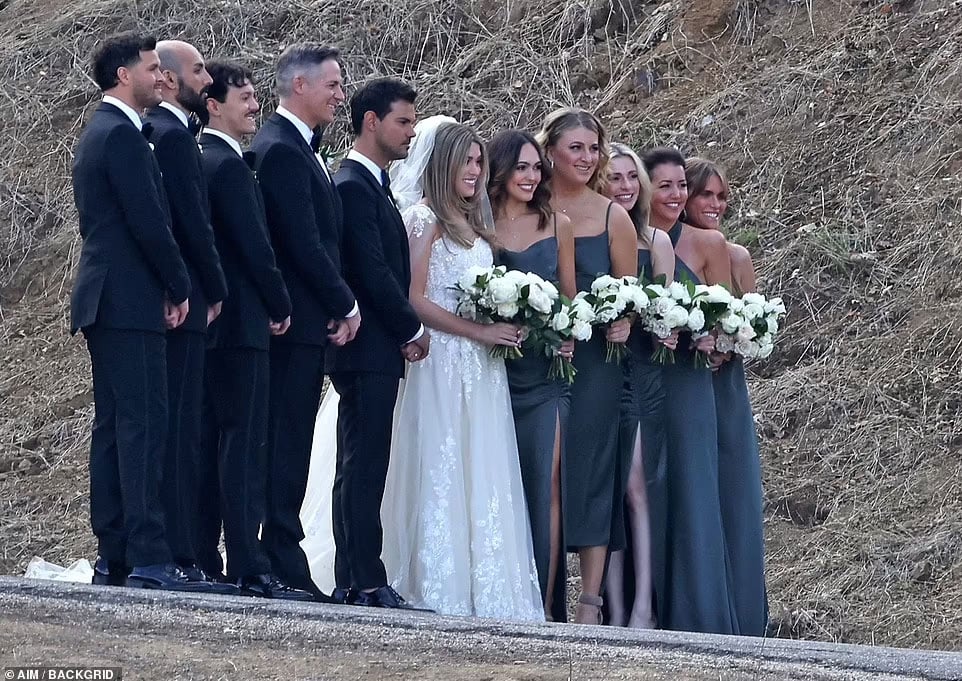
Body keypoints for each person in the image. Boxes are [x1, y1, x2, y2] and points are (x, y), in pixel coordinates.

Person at [376, 121, 543, 620]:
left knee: (481, 463)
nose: (474, 171)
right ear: (442, 164)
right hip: (440, 361)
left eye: (478, 162)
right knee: (442, 460)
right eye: (465, 161)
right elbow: (412, 298)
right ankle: (431, 581)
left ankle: (486, 586)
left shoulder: (474, 226)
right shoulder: (423, 218)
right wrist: (478, 331)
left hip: (480, 367)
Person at [70, 31, 207, 591]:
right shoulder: (122, 136)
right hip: (127, 298)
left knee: (116, 425)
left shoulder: (102, 131)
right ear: (124, 75)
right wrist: (179, 286)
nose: (161, 77)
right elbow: (149, 222)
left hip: (111, 297)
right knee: (142, 425)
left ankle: (116, 552)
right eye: (152, 68)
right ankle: (147, 554)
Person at [194, 61, 312, 601]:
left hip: (220, 327)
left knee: (216, 441)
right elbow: (256, 249)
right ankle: (247, 561)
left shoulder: (205, 159)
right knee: (243, 444)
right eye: (244, 97)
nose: (255, 105)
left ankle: (209, 553)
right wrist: (280, 303)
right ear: (213, 105)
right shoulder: (228, 167)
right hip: (243, 325)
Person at [251, 43, 360, 599]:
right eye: (333, 84)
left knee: (290, 440)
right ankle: (278, 559)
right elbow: (302, 243)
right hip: (291, 325)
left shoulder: (301, 148)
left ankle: (283, 556)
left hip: (307, 323)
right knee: (283, 442)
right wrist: (345, 303)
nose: (341, 94)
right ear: (300, 86)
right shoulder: (279, 149)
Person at [326, 78, 430, 609]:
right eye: (403, 121)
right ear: (372, 122)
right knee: (362, 465)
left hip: (374, 348)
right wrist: (410, 327)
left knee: (363, 463)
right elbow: (371, 270)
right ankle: (363, 578)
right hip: (366, 348)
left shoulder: (374, 185)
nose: (411, 132)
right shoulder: (352, 186)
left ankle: (357, 575)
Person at [537, 108, 635, 624]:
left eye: (594, 148)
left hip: (596, 364)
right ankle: (542, 592)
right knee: (545, 475)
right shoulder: (528, 203)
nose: (587, 157)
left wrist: (625, 321)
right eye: (575, 147)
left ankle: (589, 602)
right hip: (536, 361)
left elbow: (630, 294)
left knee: (594, 471)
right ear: (550, 150)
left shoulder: (613, 216)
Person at [144, 40, 230, 592]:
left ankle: (181, 549)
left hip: (178, 297)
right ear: (173, 81)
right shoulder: (173, 137)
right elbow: (192, 225)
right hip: (188, 298)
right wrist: (213, 289)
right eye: (198, 70)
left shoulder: (162, 132)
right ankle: (181, 551)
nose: (207, 79)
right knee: (180, 432)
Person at [641, 147, 737, 634]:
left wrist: (715, 342)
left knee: (692, 490)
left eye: (682, 185)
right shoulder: (632, 236)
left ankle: (700, 613)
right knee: (645, 493)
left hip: (689, 383)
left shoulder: (707, 244)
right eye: (666, 186)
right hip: (640, 381)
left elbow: (730, 321)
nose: (677, 195)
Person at [487, 129, 575, 621]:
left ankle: (545, 604)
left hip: (546, 375)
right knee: (502, 483)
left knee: (548, 483)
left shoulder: (558, 224)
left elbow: (568, 299)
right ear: (500, 171)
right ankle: (505, 595)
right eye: (521, 167)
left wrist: (568, 332)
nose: (531, 176)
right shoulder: (479, 224)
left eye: (537, 168)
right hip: (495, 370)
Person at [684, 156, 768, 636]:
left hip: (724, 388)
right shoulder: (663, 248)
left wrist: (727, 344)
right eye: (705, 195)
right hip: (679, 386)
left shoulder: (735, 256)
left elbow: (753, 328)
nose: (714, 205)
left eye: (721, 197)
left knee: (734, 496)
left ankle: (743, 615)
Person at [600, 142, 674, 628]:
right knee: (605, 488)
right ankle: (611, 603)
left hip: (642, 372)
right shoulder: (593, 233)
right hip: (599, 370)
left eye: (632, 177)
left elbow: (665, 311)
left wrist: (658, 327)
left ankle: (644, 605)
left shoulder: (657, 242)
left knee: (636, 486)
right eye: (615, 178)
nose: (625, 187)